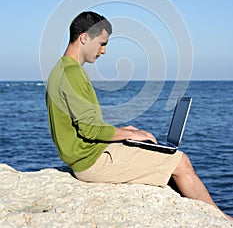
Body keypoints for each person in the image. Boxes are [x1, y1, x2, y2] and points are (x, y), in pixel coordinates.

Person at [46, 11, 232, 221]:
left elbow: (87, 125)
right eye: (102, 43)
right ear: (84, 37)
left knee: (153, 149)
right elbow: (90, 129)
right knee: (181, 162)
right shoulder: (72, 74)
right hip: (92, 162)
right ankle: (222, 220)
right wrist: (131, 135)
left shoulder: (61, 69)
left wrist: (128, 132)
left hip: (89, 154)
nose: (104, 51)